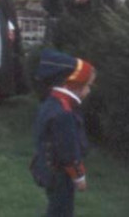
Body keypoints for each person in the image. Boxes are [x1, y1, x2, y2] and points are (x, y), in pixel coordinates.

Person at [31, 50, 96, 217]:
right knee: (62, 211)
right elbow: (68, 150)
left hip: (48, 168)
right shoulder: (64, 112)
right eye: (88, 85)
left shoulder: (51, 102)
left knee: (55, 208)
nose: (89, 90)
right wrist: (78, 176)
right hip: (61, 174)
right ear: (75, 85)